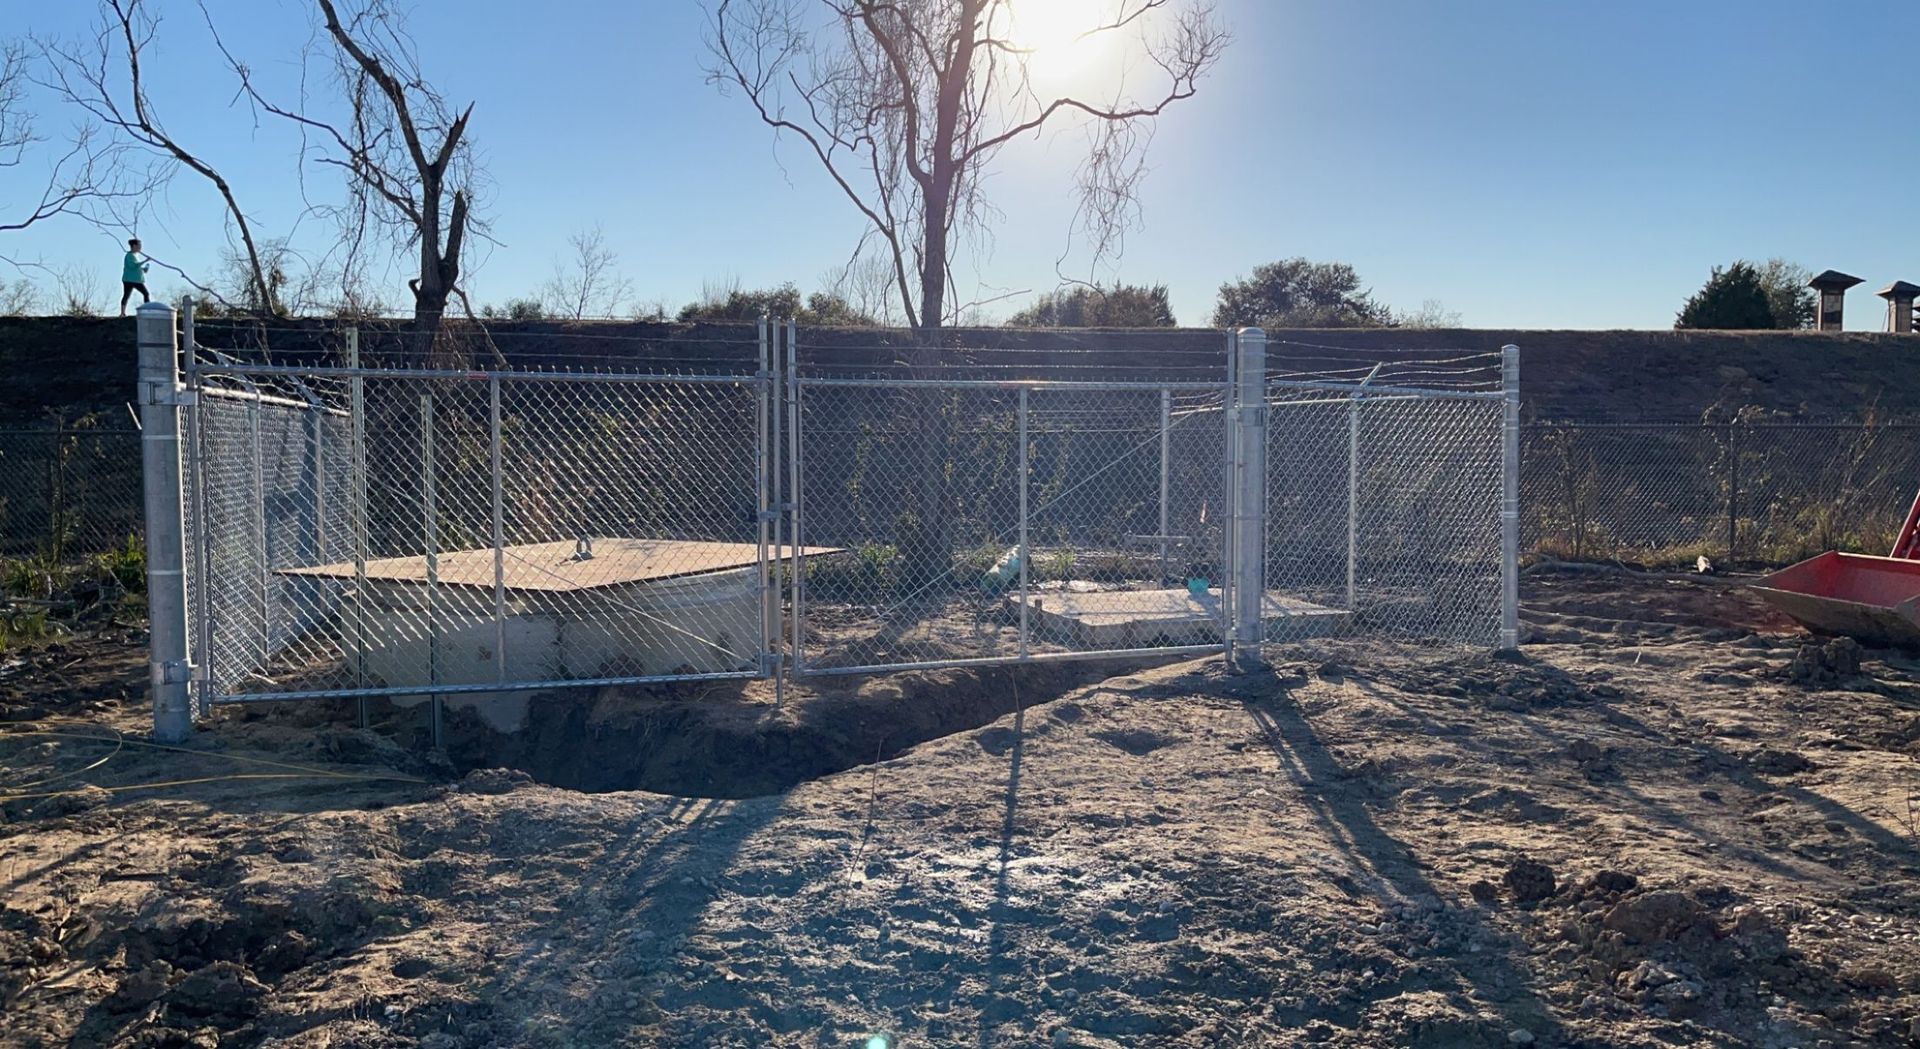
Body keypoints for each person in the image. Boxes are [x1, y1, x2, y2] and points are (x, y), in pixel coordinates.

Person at [120, 238, 150, 315]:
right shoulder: (129, 255)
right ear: (134, 246)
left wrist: (143, 269)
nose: (140, 247)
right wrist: (145, 261)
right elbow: (133, 265)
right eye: (139, 245)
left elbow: (137, 266)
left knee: (145, 293)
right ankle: (123, 312)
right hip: (129, 280)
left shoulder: (135, 255)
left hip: (136, 279)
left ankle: (148, 310)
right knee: (127, 295)